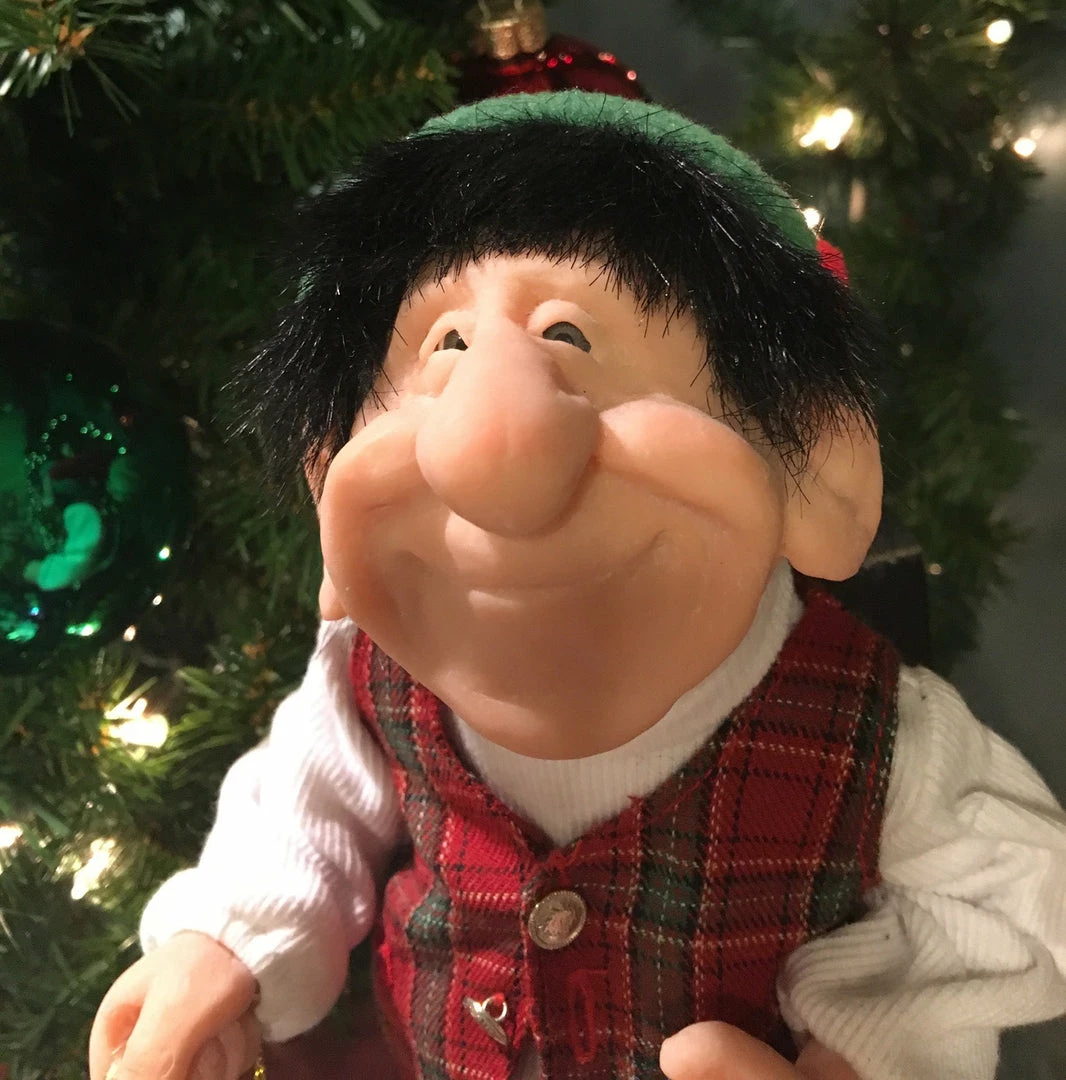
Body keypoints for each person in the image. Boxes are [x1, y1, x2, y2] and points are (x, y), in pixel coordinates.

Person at [90, 91, 1066, 1080]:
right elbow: (303, 812)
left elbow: (1015, 902)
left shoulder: (876, 727)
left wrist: (867, 1050)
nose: (488, 460)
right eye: (446, 345)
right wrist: (226, 948)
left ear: (810, 462)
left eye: (572, 335)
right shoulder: (366, 675)